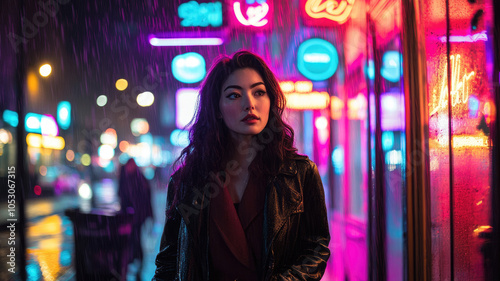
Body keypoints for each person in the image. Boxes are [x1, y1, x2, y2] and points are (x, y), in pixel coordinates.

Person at [153, 51, 330, 280]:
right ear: (216, 109)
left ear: (271, 100)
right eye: (234, 95)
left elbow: (316, 249)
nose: (250, 104)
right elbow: (169, 262)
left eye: (259, 92)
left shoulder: (300, 174)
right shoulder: (187, 181)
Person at [118, 158, 153, 280]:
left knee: (135, 238)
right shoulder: (126, 177)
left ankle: (136, 260)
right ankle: (135, 259)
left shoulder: (139, 178)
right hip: (131, 216)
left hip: (138, 216)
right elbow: (123, 195)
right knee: (133, 238)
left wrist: (149, 214)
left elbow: (146, 198)